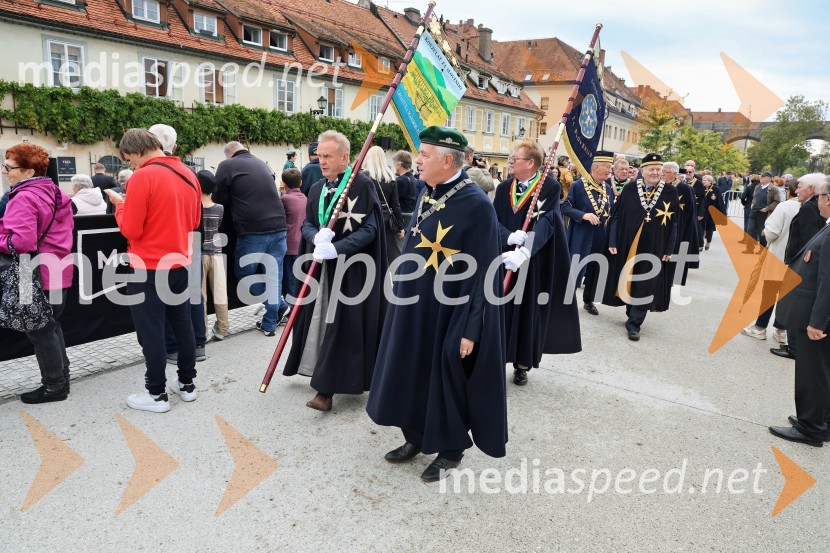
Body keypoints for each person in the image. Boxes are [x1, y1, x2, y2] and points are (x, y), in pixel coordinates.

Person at [367, 126, 507, 483]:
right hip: (414, 306)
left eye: (424, 154)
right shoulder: (428, 191)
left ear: (447, 160)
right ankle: (415, 436)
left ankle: (450, 450)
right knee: (410, 371)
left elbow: (487, 273)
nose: (418, 160)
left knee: (445, 380)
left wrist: (471, 329)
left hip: (451, 311)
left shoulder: (476, 204)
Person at [283, 130, 387, 412]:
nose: (322, 160)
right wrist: (315, 236)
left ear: (345, 158)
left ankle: (326, 389)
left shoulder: (362, 186)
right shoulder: (315, 188)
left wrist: (337, 248)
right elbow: (306, 223)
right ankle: (319, 373)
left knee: (344, 327)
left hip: (352, 271)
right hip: (321, 270)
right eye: (319, 155)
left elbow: (371, 229)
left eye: (328, 156)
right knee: (318, 322)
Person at [104, 129, 202, 413]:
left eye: (129, 159)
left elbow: (131, 229)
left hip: (146, 266)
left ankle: (156, 393)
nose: (130, 165)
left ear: (136, 151)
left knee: (151, 331)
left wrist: (120, 207)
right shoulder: (188, 173)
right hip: (178, 261)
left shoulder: (142, 177)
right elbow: (194, 220)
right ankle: (187, 384)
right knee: (182, 325)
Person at [496, 141, 581, 386]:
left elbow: (549, 222)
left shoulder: (548, 187)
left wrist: (525, 251)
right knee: (501, 310)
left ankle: (522, 364)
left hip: (532, 261)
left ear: (531, 163)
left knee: (526, 312)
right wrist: (508, 237)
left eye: (515, 158)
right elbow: (494, 218)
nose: (510, 161)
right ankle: (496, 357)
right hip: (504, 257)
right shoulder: (503, 188)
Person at [1, 142, 74, 404]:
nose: (5, 171)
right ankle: (62, 378)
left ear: (29, 172)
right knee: (51, 326)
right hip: (58, 267)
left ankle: (55, 386)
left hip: (32, 271)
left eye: (9, 167)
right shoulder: (56, 192)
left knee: (40, 331)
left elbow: (21, 242)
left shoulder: (23, 197)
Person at [769, 179, 830, 447]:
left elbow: (828, 281)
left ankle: (810, 427)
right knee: (822, 372)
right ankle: (821, 421)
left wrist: (818, 321)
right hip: (815, 314)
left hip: (815, 319)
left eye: (820, 196)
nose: (817, 200)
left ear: (827, 199)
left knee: (813, 374)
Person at [599, 152, 679, 341]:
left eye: (658, 169)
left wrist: (670, 249)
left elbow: (675, 223)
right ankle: (631, 310)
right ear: (642, 170)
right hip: (629, 244)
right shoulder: (630, 189)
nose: (655, 172)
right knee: (629, 278)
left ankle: (635, 323)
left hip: (655, 246)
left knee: (647, 281)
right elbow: (617, 217)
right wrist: (612, 240)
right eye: (651, 169)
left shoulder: (670, 192)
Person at [214, 141, 289, 336]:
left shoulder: (227, 165)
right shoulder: (261, 163)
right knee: (275, 275)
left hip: (253, 229)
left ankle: (277, 306)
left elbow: (218, 197)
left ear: (228, 154)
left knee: (244, 273)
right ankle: (271, 320)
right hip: (279, 226)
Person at [149, 124, 208, 364]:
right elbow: (195, 214)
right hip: (191, 238)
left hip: (167, 244)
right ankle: (198, 344)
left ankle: (174, 349)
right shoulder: (187, 172)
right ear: (174, 146)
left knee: (168, 300)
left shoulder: (150, 173)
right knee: (190, 295)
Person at [771, 173, 827, 360]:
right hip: (804, 263)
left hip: (806, 266)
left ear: (811, 189)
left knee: (797, 304)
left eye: (800, 185)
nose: (796, 189)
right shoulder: (809, 207)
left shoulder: (809, 209)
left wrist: (808, 255)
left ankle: (794, 346)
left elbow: (813, 237)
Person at [741, 179, 799, 344]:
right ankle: (781, 330)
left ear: (788, 191)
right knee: (786, 295)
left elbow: (772, 232)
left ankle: (760, 327)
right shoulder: (811, 208)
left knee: (769, 293)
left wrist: (765, 231)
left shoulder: (785, 207)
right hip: (796, 260)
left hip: (779, 255)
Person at [563, 150, 616, 317]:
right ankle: (566, 301)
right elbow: (565, 207)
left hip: (601, 235)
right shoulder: (579, 185)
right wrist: (583, 215)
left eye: (611, 167)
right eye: (608, 167)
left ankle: (588, 300)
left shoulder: (608, 188)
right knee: (575, 267)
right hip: (581, 234)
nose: (610, 171)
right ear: (596, 167)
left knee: (595, 268)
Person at [197, 170, 229, 341]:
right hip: (217, 254)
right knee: (220, 292)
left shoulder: (194, 209)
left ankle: (202, 332)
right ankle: (222, 328)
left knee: (202, 297)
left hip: (200, 255)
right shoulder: (219, 208)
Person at [364, 145, 404, 263]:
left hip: (368, 216)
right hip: (386, 217)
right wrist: (400, 226)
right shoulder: (390, 177)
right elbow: (395, 204)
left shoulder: (363, 176)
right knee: (385, 252)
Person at [663, 162, 699, 285]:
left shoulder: (685, 189)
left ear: (674, 173)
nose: (661, 174)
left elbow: (690, 213)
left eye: (665, 172)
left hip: (680, 228)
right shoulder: (660, 186)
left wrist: (687, 231)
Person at [279, 167, 306, 302]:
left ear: (283, 184)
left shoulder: (284, 199)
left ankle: (291, 309)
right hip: (304, 244)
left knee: (289, 279)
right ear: (300, 183)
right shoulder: (306, 198)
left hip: (289, 245)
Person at [746, 171, 780, 251]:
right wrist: (753, 204)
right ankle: (749, 249)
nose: (761, 178)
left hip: (764, 214)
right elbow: (754, 197)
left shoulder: (774, 188)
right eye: (761, 176)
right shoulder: (758, 186)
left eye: (763, 177)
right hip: (754, 211)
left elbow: (777, 201)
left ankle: (762, 250)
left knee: (762, 232)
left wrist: (767, 208)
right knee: (750, 230)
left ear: (769, 178)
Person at [701, 174, 726, 251]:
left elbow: (720, 202)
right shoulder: (701, 188)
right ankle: (700, 244)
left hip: (711, 212)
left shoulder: (716, 189)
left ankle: (708, 242)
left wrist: (722, 214)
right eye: (703, 180)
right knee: (701, 228)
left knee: (709, 228)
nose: (703, 182)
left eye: (705, 180)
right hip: (701, 212)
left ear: (710, 181)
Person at [392, 150, 417, 216]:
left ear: (399, 165)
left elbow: (392, 200)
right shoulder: (411, 177)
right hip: (409, 215)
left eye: (394, 163)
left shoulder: (402, 180)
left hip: (401, 216)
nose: (394, 166)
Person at [740, 175, 758, 243]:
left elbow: (742, 197)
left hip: (748, 206)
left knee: (747, 224)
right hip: (757, 207)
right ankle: (755, 240)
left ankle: (745, 239)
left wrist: (745, 204)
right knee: (756, 224)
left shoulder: (749, 187)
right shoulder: (761, 188)